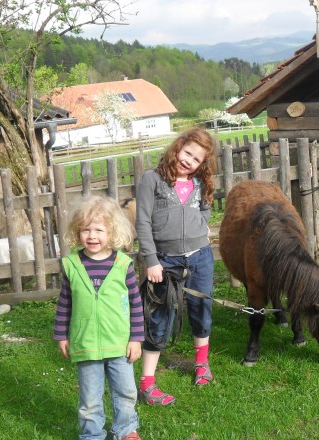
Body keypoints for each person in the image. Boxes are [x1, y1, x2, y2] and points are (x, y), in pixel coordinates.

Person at [135, 127, 217, 405]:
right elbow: (143, 222)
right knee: (159, 316)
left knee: (201, 308)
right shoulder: (152, 180)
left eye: (196, 160)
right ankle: (147, 383)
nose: (189, 161)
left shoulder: (199, 183)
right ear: (178, 147)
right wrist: (151, 260)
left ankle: (201, 364)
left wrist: (201, 227)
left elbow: (205, 209)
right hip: (165, 261)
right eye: (187, 153)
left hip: (200, 256)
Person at [53, 195, 144, 440]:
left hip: (119, 342)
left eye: (99, 230)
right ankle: (92, 434)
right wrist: (61, 334)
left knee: (125, 392)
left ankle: (126, 430)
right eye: (85, 230)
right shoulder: (72, 265)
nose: (92, 236)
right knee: (90, 398)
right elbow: (65, 303)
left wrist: (136, 338)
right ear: (77, 232)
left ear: (112, 231)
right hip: (86, 343)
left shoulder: (123, 264)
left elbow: (135, 303)